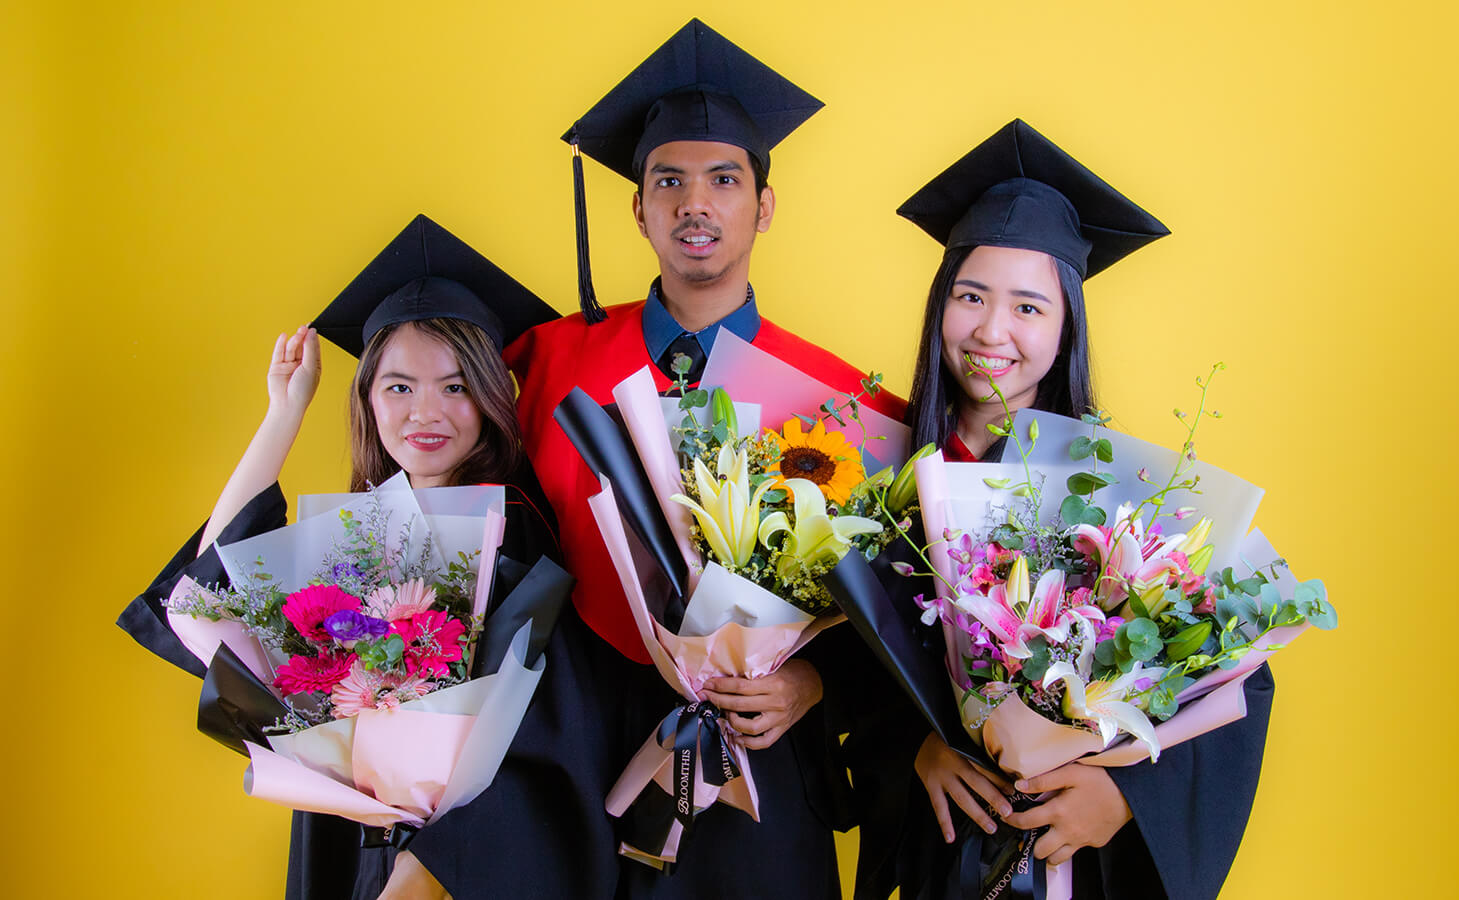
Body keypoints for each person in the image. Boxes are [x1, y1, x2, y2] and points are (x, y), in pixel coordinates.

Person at [483, 18, 905, 900]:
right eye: (667, 181)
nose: (694, 204)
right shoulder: (546, 363)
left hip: (759, 755)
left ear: (764, 204)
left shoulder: (842, 401)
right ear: (638, 208)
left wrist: (812, 683)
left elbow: (894, 610)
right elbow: (496, 545)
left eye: (724, 179)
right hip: (578, 736)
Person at [117, 214, 626, 900]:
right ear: (367, 399)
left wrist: (431, 865)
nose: (426, 413)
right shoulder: (357, 536)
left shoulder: (518, 530)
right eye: (398, 387)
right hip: (355, 843)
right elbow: (209, 594)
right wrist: (283, 413)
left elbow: (553, 733)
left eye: (455, 386)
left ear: (490, 397)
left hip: (470, 866)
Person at [849, 119, 1276, 900]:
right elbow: (849, 678)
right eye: (970, 296)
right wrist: (917, 750)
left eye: (1028, 307)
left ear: (1067, 325)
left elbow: (1232, 682)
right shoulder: (883, 480)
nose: (991, 331)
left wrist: (1124, 796)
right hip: (940, 851)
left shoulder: (1115, 490)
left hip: (1072, 867)